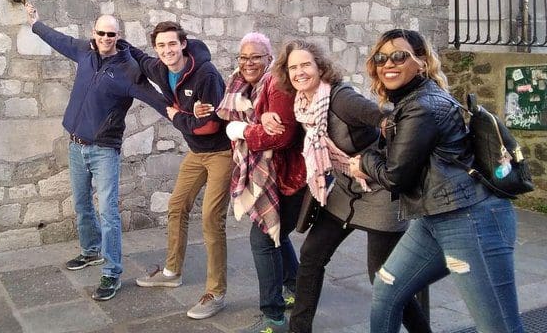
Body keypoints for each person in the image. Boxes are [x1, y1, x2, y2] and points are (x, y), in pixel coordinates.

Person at [349, 29, 523, 333]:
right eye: (381, 57)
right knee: (386, 288)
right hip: (433, 219)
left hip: (471, 222)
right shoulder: (411, 102)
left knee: (498, 327)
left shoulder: (423, 106)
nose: (388, 63)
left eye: (399, 55)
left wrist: (364, 162)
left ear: (421, 62)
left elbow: (395, 176)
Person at [264, 39, 431, 333]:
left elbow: (392, 122)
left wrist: (377, 164)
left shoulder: (341, 99)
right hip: (344, 192)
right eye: (293, 67)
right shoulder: (304, 104)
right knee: (312, 255)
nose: (299, 72)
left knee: (383, 278)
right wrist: (265, 116)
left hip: (380, 193)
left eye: (306, 64)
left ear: (320, 67)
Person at [25, 4, 168, 302]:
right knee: (81, 204)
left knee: (108, 213)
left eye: (111, 34)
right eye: (101, 33)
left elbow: (156, 99)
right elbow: (58, 40)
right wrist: (36, 24)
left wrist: (183, 115)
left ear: (118, 36)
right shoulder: (84, 52)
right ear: (94, 33)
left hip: (104, 150)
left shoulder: (129, 71)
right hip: (76, 145)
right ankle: (90, 252)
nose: (106, 38)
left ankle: (112, 272)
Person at [130, 21, 233, 320]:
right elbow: (139, 57)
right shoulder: (161, 68)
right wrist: (118, 43)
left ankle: (216, 293)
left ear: (183, 44)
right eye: (161, 46)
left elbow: (210, 126)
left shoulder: (206, 74)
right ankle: (171, 271)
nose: (166, 51)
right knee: (176, 206)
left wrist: (176, 116)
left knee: (212, 219)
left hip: (221, 152)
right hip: (196, 153)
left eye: (172, 44)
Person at [213, 33, 306, 333]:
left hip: (288, 175)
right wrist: (240, 126)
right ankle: (298, 289)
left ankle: (274, 316)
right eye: (243, 57)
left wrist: (241, 130)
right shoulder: (241, 85)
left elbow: (282, 136)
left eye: (256, 57)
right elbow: (228, 119)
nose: (248, 63)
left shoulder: (277, 85)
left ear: (270, 58)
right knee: (275, 235)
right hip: (270, 174)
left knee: (263, 240)